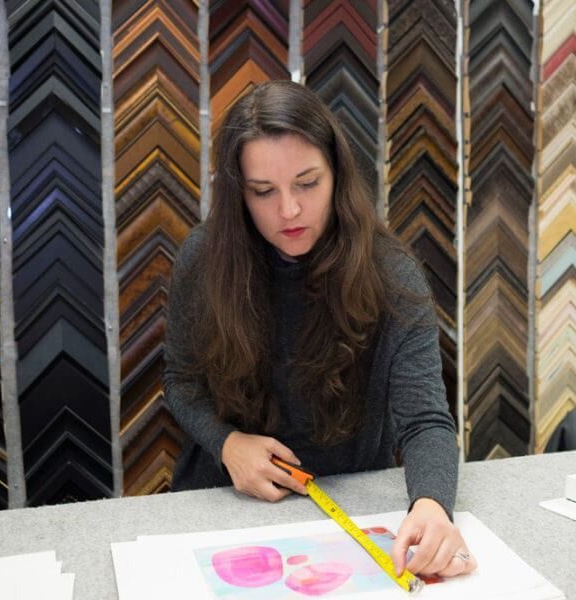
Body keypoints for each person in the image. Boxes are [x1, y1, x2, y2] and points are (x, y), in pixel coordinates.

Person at [163, 80, 476, 579]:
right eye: (263, 192)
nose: (288, 210)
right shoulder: (203, 261)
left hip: (350, 510)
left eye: (307, 184)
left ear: (338, 175)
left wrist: (433, 505)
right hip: (222, 505)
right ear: (238, 192)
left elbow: (425, 422)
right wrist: (226, 443)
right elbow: (180, 381)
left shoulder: (391, 274)